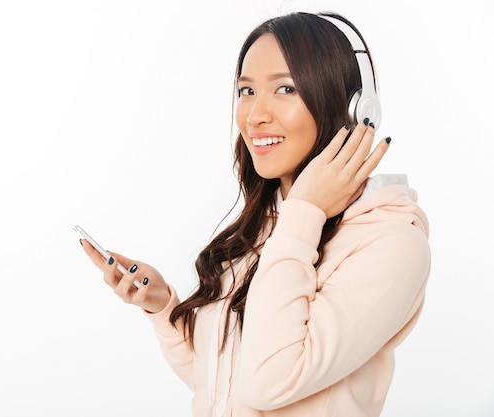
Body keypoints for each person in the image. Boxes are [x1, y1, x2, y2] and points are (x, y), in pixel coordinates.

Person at [79, 11, 431, 417]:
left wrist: (305, 211)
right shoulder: (270, 227)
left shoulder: (391, 243)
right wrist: (164, 308)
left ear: (354, 108)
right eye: (246, 91)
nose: (255, 115)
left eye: (284, 88)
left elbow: (269, 382)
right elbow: (225, 384)